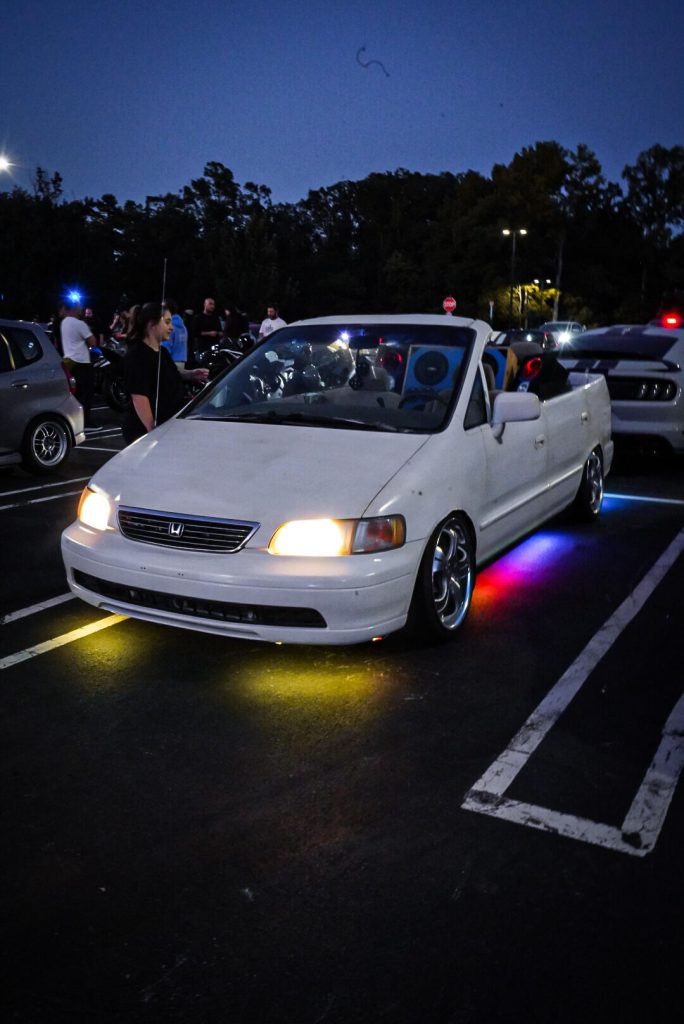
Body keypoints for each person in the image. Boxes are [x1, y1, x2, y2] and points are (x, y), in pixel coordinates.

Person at [122, 303, 208, 444]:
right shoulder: (137, 355)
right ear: (152, 324)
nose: (171, 327)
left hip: (167, 425)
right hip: (144, 431)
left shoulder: (163, 352)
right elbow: (139, 396)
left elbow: (171, 373)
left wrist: (191, 374)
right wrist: (153, 430)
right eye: (167, 322)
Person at [59, 297, 100, 430]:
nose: (82, 309)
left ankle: (74, 422)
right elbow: (93, 342)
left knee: (75, 394)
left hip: (69, 362)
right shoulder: (80, 324)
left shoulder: (64, 322)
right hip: (82, 362)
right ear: (75, 308)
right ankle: (85, 422)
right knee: (86, 394)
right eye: (79, 307)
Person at [161, 298, 188, 368]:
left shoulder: (169, 326)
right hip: (181, 362)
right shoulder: (183, 327)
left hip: (170, 362)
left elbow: (166, 347)